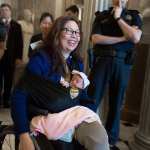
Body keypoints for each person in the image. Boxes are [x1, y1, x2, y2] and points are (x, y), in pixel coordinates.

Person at [11, 16, 109, 150]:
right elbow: (19, 95)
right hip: (46, 117)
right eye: (69, 31)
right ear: (56, 33)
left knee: (99, 140)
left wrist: (88, 113)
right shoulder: (41, 59)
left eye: (77, 32)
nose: (74, 36)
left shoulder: (76, 62)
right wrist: (23, 135)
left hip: (74, 116)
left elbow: (81, 96)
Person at [88, 0, 142, 149]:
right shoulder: (102, 16)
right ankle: (84, 132)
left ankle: (111, 140)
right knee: (91, 99)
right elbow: (96, 38)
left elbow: (136, 38)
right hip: (102, 61)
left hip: (122, 62)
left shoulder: (133, 15)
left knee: (116, 102)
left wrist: (118, 19)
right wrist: (123, 38)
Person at [0, 3, 23, 108]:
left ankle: (6, 100)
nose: (4, 12)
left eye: (6, 10)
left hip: (11, 57)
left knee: (9, 80)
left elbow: (20, 43)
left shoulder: (16, 25)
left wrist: (18, 58)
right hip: (0, 56)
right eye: (2, 10)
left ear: (10, 12)